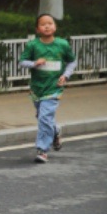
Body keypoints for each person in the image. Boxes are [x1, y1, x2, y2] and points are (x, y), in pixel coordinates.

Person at [18, 14, 77, 163]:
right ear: (38, 29)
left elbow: (72, 62)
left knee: (44, 117)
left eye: (50, 23)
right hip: (37, 88)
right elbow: (22, 62)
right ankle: (55, 131)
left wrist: (66, 75)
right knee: (42, 117)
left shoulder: (62, 44)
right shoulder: (33, 45)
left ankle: (42, 150)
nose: (47, 26)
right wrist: (34, 63)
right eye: (43, 24)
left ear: (55, 27)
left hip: (54, 88)